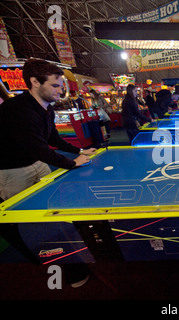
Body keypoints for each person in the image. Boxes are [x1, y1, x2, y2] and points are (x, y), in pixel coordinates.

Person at [0, 58, 96, 287]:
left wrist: (80, 151)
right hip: (12, 171)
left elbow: (53, 138)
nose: (60, 90)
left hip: (36, 163)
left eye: (60, 85)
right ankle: (53, 265)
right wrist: (73, 163)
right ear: (34, 82)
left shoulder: (46, 109)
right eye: (55, 85)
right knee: (30, 222)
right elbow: (40, 148)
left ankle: (70, 250)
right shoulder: (17, 110)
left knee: (56, 208)